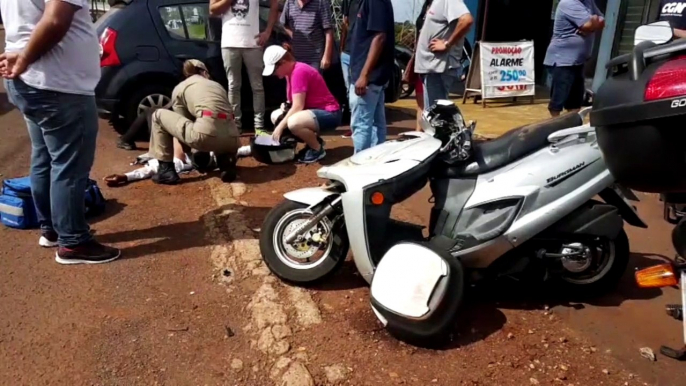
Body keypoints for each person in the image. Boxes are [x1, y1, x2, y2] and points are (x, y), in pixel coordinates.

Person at [0, 0, 121, 264]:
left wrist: (22, 59)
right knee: (70, 166)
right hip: (59, 86)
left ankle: (52, 229)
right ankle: (74, 242)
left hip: (33, 82)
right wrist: (24, 59)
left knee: (45, 157)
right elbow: (56, 20)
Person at [149, 59, 240, 184]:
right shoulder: (217, 86)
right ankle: (226, 162)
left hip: (205, 135)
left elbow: (183, 125)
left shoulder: (180, 88)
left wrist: (192, 152)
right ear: (203, 72)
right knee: (217, 119)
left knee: (158, 115)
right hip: (233, 140)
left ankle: (166, 171)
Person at [262, 45, 342, 163]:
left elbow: (298, 106)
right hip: (314, 113)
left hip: (330, 114)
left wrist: (279, 128)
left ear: (283, 63)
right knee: (276, 115)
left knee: (294, 123)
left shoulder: (299, 72)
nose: (274, 73)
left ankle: (316, 149)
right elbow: (294, 102)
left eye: (274, 69)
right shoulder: (290, 73)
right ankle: (314, 141)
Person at [210, 0, 279, 135]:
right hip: (229, 43)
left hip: (253, 43)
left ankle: (259, 127)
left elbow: (275, 4)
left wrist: (268, 32)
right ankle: (235, 126)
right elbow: (212, 10)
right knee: (233, 86)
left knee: (257, 87)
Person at [348, 0, 395, 153]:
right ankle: (375, 162)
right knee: (375, 123)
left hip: (369, 76)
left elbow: (380, 36)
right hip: (371, 75)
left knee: (361, 124)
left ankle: (360, 166)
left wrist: (364, 74)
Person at [544, 0, 604, 117]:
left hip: (577, 61)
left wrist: (593, 23)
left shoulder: (588, 2)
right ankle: (554, 127)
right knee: (559, 99)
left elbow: (602, 21)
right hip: (563, 60)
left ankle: (569, 126)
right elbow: (588, 24)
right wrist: (592, 23)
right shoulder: (568, 3)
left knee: (575, 101)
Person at [414, 0, 473, 112]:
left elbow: (466, 20)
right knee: (433, 116)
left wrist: (447, 44)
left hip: (439, 69)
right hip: (432, 69)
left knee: (437, 117)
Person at [105, 139, 195, 187]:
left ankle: (125, 139)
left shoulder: (176, 161)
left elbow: (148, 170)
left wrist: (125, 177)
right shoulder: (176, 159)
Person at [403, 0, 433, 131]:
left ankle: (428, 138)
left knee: (430, 106)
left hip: (431, 64)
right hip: (420, 61)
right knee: (421, 104)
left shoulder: (443, 5)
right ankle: (418, 136)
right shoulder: (427, 6)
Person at [280, 0, 335, 73]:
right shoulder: (290, 2)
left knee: (312, 83)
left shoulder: (321, 2)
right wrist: (295, 37)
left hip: (315, 58)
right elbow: (284, 23)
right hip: (296, 58)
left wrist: (327, 56)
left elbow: (328, 30)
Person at [338, 0, 362, 138]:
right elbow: (345, 23)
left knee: (357, 92)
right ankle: (354, 126)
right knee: (349, 92)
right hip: (346, 53)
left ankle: (358, 127)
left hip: (360, 54)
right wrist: (341, 48)